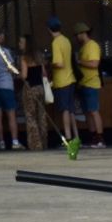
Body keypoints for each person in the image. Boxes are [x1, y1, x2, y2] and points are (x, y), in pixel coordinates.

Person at [72, 22, 105, 148]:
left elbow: (94, 64)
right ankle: (93, 137)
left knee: (93, 111)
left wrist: (79, 62)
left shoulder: (92, 46)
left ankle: (100, 138)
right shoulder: (83, 47)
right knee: (87, 112)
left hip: (91, 83)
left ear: (82, 33)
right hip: (83, 83)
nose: (76, 38)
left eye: (77, 35)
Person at [48, 16, 78, 148]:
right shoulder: (66, 40)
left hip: (62, 81)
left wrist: (50, 64)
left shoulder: (56, 42)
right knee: (71, 110)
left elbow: (59, 63)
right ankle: (76, 137)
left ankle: (68, 139)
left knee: (64, 110)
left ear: (49, 29)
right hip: (71, 78)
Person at [17, 32, 48, 151]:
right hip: (40, 87)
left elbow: (24, 75)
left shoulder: (24, 58)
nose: (19, 44)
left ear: (26, 44)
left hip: (30, 88)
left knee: (31, 117)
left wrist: (16, 73)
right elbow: (44, 73)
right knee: (41, 116)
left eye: (21, 42)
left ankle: (36, 144)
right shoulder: (39, 56)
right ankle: (44, 142)